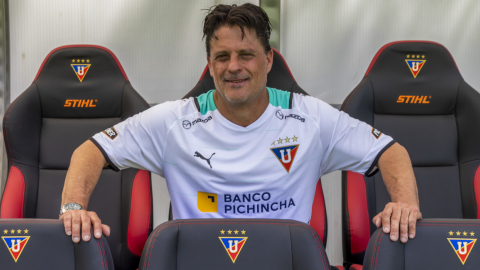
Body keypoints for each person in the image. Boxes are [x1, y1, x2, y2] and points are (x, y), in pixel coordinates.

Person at [60, 3, 421, 245]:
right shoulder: (173, 121)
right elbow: (90, 150)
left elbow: (390, 151)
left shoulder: (310, 117)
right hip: (198, 264)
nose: (234, 67)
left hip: (285, 264)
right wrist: (74, 209)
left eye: (246, 55)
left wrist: (403, 203)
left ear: (267, 60)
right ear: (210, 63)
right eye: (222, 57)